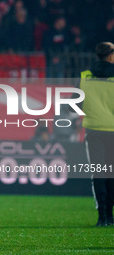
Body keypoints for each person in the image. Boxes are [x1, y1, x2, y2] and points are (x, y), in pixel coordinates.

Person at [79, 42, 114, 226]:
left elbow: (72, 104)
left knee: (99, 173)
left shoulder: (85, 76)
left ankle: (102, 217)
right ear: (110, 56)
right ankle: (111, 215)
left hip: (94, 129)